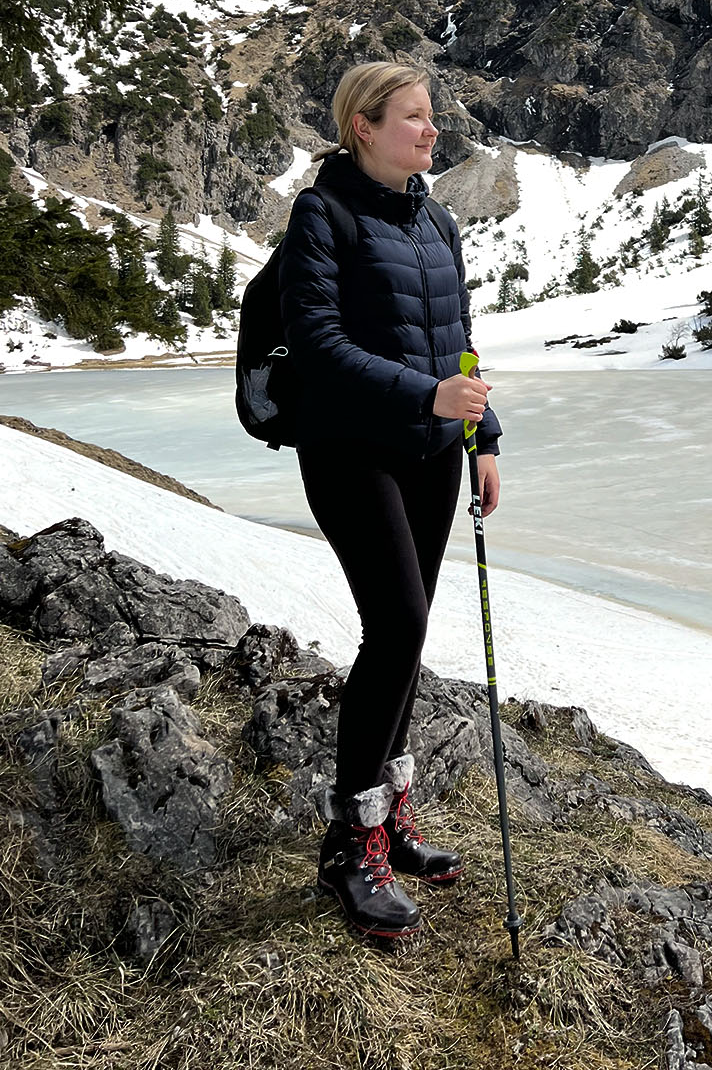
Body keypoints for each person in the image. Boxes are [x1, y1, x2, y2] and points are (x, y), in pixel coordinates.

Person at [278, 61, 502, 941]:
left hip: (434, 452)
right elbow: (319, 345)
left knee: (408, 634)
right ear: (362, 126)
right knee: (398, 626)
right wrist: (425, 399)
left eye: (434, 117)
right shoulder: (321, 214)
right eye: (414, 117)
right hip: (349, 453)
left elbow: (460, 344)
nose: (432, 130)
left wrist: (485, 438)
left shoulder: (435, 217)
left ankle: (389, 816)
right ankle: (348, 844)